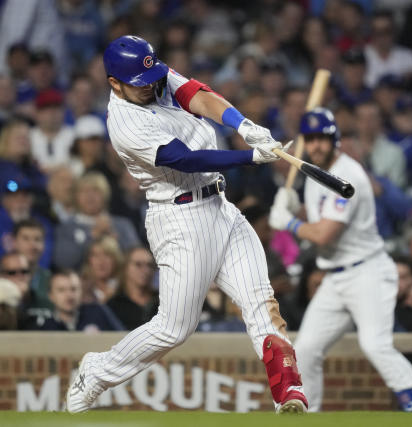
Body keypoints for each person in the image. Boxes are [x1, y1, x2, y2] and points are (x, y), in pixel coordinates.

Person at [65, 35, 307, 415]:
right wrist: (249, 157)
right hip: (179, 219)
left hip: (220, 206)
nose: (150, 86)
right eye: (139, 84)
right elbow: (185, 159)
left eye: (152, 77)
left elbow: (198, 94)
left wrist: (242, 124)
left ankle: (289, 391)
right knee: (173, 328)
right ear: (114, 83)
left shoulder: (150, 75)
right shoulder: (124, 122)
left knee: (260, 301)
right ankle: (98, 370)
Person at [269, 107, 412, 412]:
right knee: (305, 348)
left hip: (367, 272)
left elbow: (324, 235)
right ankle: (309, 413)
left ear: (336, 140)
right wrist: (292, 208)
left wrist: (288, 222)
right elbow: (319, 218)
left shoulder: (348, 175)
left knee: (375, 345)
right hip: (337, 277)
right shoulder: (315, 173)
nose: (317, 145)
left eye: (323, 139)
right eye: (311, 139)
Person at [40, 270, 124, 332]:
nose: (69, 295)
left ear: (81, 292)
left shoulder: (98, 312)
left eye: (73, 289)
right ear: (51, 296)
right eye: (61, 290)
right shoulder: (46, 327)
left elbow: (122, 339)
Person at [107, 247, 159, 330]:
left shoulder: (162, 302)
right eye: (138, 264)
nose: (145, 270)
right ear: (126, 268)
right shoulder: (113, 306)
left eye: (149, 265)